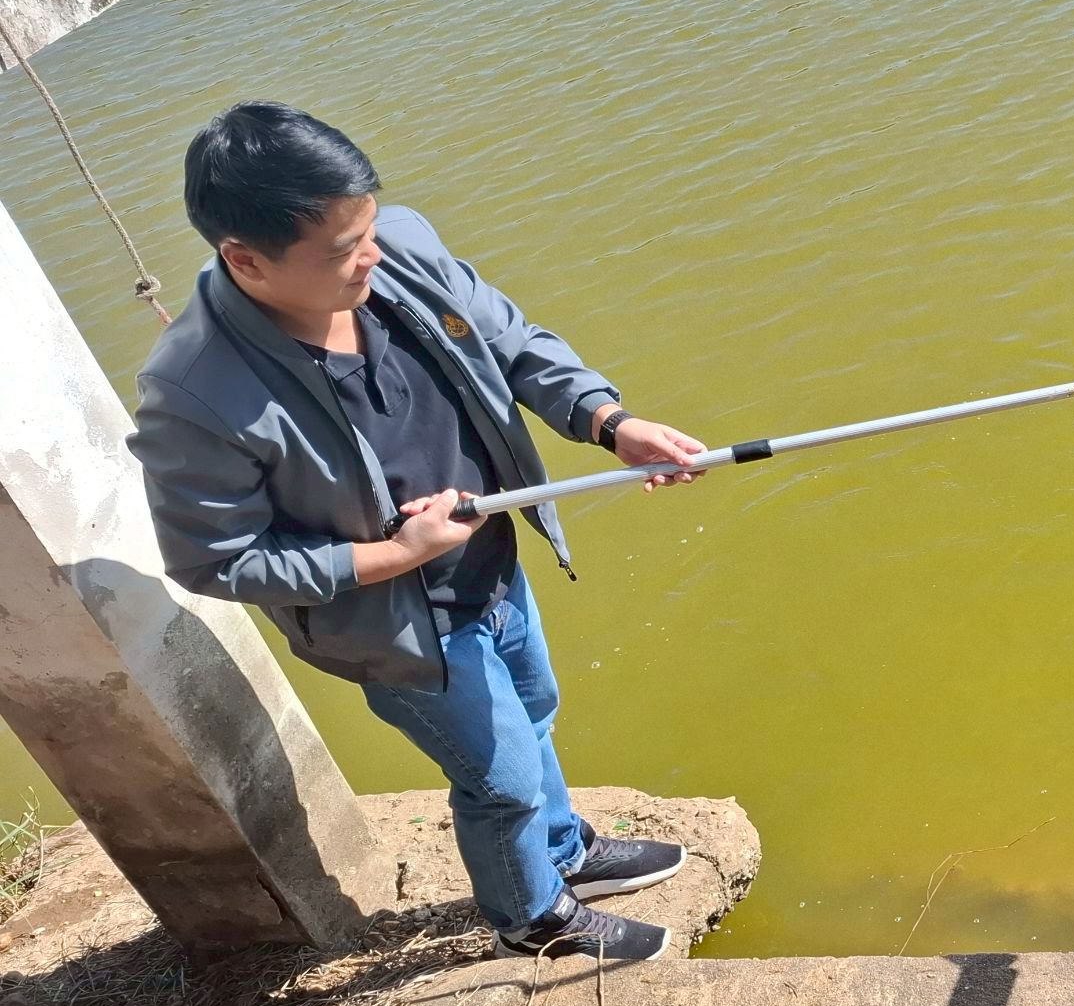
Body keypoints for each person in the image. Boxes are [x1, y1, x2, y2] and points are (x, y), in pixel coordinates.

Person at [129, 102, 705, 962]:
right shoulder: (193, 392)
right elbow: (217, 558)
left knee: (535, 713)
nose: (372, 255)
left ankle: (566, 852)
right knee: (500, 775)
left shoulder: (400, 250)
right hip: (400, 621)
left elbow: (511, 342)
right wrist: (394, 555)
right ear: (245, 259)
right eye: (343, 250)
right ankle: (531, 917)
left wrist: (605, 418)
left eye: (368, 227)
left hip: (493, 563)